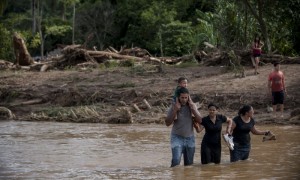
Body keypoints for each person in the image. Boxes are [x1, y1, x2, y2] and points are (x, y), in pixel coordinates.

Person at [165, 87, 202, 167]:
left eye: (186, 97)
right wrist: (175, 110)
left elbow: (200, 121)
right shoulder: (174, 106)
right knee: (176, 161)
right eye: (182, 98)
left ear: (188, 97)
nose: (184, 100)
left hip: (190, 138)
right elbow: (167, 123)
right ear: (178, 97)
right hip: (177, 137)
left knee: (189, 164)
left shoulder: (192, 106)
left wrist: (193, 109)